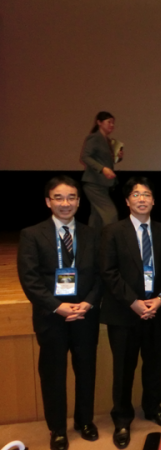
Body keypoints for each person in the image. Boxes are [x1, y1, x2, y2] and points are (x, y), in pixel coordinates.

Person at [17, 175, 102, 450]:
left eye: (71, 198)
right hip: (51, 317)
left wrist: (88, 303)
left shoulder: (92, 234)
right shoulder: (32, 234)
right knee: (53, 375)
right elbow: (29, 279)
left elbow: (101, 275)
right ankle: (57, 429)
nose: (66, 203)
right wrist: (57, 306)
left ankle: (85, 421)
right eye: (59, 198)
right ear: (48, 201)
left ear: (78, 201)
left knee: (86, 370)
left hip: (85, 315)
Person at [100, 177, 161, 449]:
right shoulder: (112, 232)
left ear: (153, 200)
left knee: (154, 363)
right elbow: (109, 272)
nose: (142, 199)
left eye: (146, 194)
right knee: (124, 368)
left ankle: (153, 407)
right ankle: (122, 418)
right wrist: (133, 302)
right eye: (136, 194)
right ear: (127, 201)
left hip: (155, 310)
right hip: (123, 313)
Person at [80, 111, 122, 228]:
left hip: (103, 184)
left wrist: (118, 157)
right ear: (99, 122)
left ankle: (92, 238)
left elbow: (107, 161)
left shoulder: (108, 140)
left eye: (113, 123)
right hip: (94, 183)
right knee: (111, 214)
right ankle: (112, 238)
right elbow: (85, 157)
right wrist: (102, 169)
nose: (112, 125)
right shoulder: (94, 137)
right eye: (109, 122)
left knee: (96, 218)